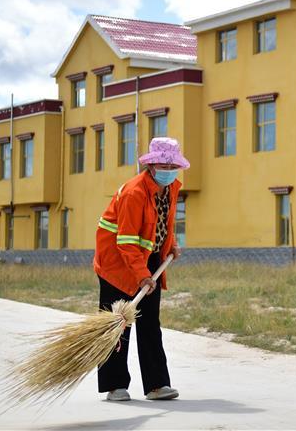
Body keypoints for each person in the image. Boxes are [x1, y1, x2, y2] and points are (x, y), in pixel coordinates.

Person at [93, 137, 188, 402]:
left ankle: (157, 385)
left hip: (148, 258)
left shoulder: (170, 188)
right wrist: (141, 275)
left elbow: (159, 224)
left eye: (173, 165)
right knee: (116, 324)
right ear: (152, 165)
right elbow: (125, 241)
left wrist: (169, 246)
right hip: (117, 263)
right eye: (164, 165)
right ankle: (115, 385)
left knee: (149, 323)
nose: (170, 170)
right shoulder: (135, 192)